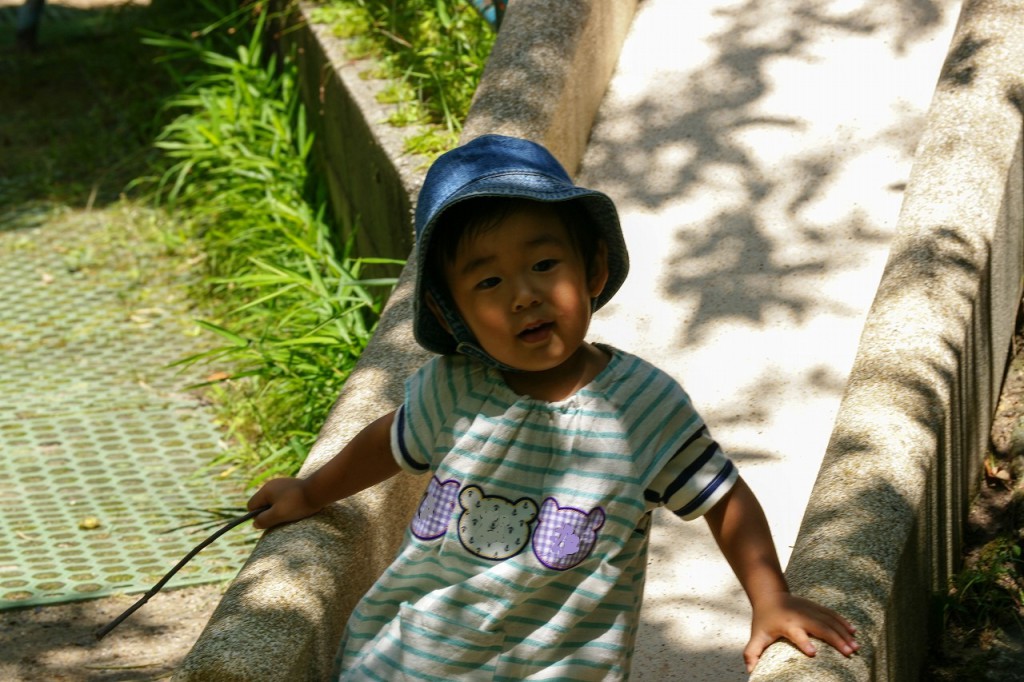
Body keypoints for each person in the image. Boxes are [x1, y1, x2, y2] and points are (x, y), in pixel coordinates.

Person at [248, 134, 859, 679]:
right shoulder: (449, 389)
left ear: (592, 267)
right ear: (448, 310)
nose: (524, 295)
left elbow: (723, 498)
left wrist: (769, 598)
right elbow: (388, 440)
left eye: (544, 264)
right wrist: (311, 492)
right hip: (409, 657)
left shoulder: (642, 408)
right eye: (488, 282)